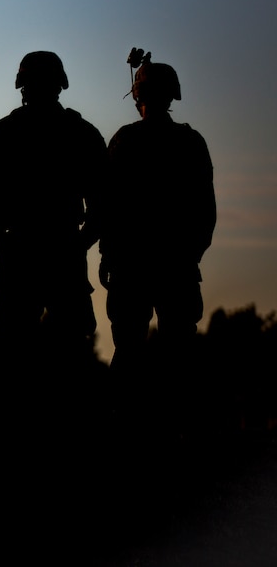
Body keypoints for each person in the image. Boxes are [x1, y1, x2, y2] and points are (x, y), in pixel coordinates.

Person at [99, 50, 216, 419]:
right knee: (178, 352)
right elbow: (205, 213)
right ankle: (178, 427)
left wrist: (108, 256)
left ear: (137, 96)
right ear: (171, 96)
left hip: (132, 267)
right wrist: (189, 256)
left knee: (129, 351)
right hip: (176, 266)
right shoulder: (191, 143)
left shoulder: (123, 142)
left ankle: (126, 428)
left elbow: (108, 206)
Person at [0, 51, 108, 346]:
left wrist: (77, 246)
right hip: (42, 248)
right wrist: (78, 247)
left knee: (42, 339)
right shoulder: (79, 131)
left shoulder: (9, 131)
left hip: (37, 248)